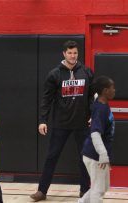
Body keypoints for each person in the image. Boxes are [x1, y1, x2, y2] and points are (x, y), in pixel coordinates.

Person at [30, 40, 93, 201]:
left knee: (84, 158)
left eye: (75, 53)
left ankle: (85, 190)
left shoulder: (86, 72)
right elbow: (46, 99)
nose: (73, 56)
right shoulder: (55, 74)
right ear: (64, 54)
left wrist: (93, 114)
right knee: (52, 156)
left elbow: (92, 97)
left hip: (82, 123)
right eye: (70, 53)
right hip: (61, 123)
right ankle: (42, 191)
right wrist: (42, 120)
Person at [78, 76, 115, 203]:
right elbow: (95, 134)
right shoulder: (100, 109)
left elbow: (94, 98)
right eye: (112, 88)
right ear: (105, 91)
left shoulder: (100, 103)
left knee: (102, 186)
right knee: (98, 190)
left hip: (96, 155)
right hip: (94, 155)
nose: (114, 90)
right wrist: (103, 154)